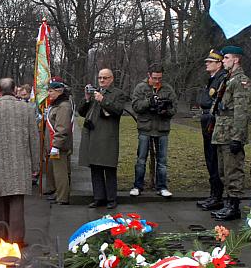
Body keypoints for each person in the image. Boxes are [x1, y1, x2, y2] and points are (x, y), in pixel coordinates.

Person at [0, 78, 39, 245]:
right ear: (15, 90)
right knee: (16, 201)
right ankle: (17, 239)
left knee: (1, 200)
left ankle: (2, 235)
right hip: (20, 163)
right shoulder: (26, 109)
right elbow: (33, 139)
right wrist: (36, 165)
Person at [211, 45, 251, 221]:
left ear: (236, 59)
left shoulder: (241, 81)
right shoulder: (227, 80)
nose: (224, 61)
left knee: (233, 171)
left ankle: (234, 206)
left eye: (227, 58)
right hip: (221, 131)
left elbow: (242, 111)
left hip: (231, 133)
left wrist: (237, 137)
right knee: (223, 171)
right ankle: (228, 204)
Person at [77, 68, 128, 209]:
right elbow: (81, 112)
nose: (102, 80)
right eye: (100, 78)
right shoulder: (94, 93)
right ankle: (98, 197)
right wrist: (87, 99)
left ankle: (111, 198)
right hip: (92, 134)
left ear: (111, 79)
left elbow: (118, 110)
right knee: (95, 167)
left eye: (105, 78)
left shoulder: (118, 93)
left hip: (107, 136)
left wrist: (103, 100)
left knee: (109, 167)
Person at [130, 66, 177, 198]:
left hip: (162, 128)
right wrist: (148, 102)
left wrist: (165, 110)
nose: (157, 81)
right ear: (149, 75)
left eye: (160, 78)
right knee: (141, 159)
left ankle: (162, 186)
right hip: (145, 127)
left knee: (162, 161)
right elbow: (135, 106)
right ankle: (137, 186)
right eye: (154, 78)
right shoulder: (140, 88)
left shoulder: (168, 89)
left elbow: (174, 108)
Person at [196, 49, 228, 211]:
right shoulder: (213, 79)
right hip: (208, 120)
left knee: (214, 159)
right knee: (210, 159)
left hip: (213, 121)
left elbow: (213, 101)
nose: (207, 64)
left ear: (219, 63)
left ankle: (217, 196)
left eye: (210, 62)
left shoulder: (221, 79)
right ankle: (213, 194)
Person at [44, 79, 73, 205]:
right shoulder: (57, 105)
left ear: (58, 91)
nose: (49, 94)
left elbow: (62, 127)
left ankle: (62, 197)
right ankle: (59, 194)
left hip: (60, 145)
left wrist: (56, 145)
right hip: (56, 144)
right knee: (57, 171)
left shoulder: (63, 106)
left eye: (51, 91)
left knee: (61, 172)